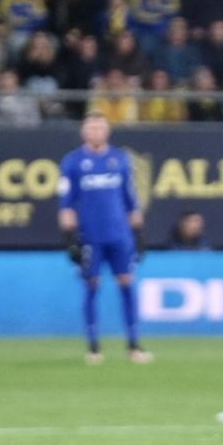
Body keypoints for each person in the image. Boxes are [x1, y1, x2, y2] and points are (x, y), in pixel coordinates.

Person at [58, 111, 152, 365]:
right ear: (84, 132)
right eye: (91, 128)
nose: (96, 132)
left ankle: (134, 344)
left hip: (120, 235)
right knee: (92, 284)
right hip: (91, 235)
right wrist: (70, 240)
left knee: (127, 282)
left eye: (100, 128)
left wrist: (139, 235)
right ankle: (93, 346)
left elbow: (130, 199)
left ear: (107, 131)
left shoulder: (120, 160)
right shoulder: (73, 162)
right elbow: (66, 204)